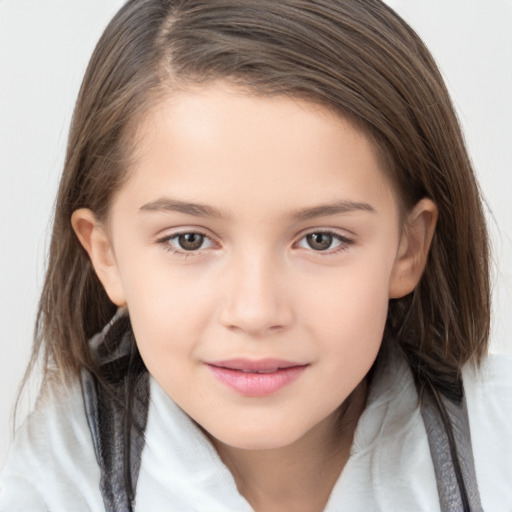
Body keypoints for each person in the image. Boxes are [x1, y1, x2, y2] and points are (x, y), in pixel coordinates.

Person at [1, 0, 510, 511]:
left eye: (321, 239)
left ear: (408, 247)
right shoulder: (45, 489)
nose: (256, 311)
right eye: (189, 240)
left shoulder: (497, 447)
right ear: (106, 255)